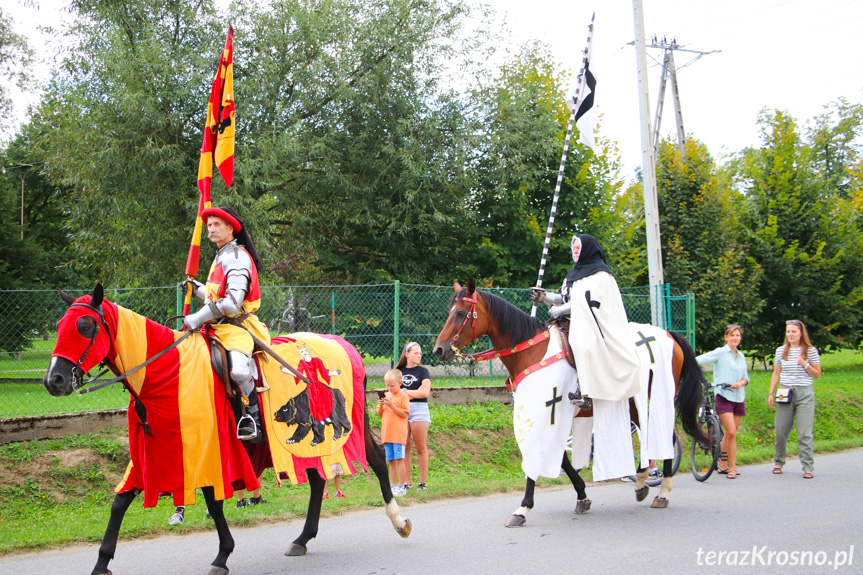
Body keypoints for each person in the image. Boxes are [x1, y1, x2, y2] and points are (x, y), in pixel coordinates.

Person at [183, 206, 270, 442]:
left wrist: (196, 318)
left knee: (239, 371)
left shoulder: (237, 257)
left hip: (236, 329)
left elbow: (231, 305)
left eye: (216, 224)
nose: (211, 229)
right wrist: (196, 288)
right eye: (209, 225)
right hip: (215, 327)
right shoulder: (221, 255)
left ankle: (253, 418)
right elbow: (215, 297)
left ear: (230, 228)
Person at [530, 234, 640, 403]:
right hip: (569, 320)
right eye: (573, 248)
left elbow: (582, 302)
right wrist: (544, 297)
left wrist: (558, 311)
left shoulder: (600, 275)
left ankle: (584, 390)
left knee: (582, 343)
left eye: (578, 248)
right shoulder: (574, 274)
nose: (575, 251)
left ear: (587, 249)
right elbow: (563, 296)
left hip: (593, 323)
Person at [768, 319, 821, 479]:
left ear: (801, 334)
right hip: (785, 391)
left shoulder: (810, 351)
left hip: (804, 392)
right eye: (788, 331)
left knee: (804, 433)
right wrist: (771, 392)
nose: (790, 334)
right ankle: (779, 461)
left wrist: (804, 363)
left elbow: (817, 374)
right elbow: (776, 373)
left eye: (794, 332)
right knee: (781, 430)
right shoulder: (781, 351)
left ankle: (807, 466)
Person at [696, 324, 749, 479]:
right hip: (724, 396)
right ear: (726, 337)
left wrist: (741, 382)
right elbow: (698, 360)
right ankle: (732, 467)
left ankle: (723, 463)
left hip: (739, 397)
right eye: (732, 335)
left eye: (737, 335)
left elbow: (746, 376)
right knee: (731, 432)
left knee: (730, 435)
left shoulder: (741, 356)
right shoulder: (720, 352)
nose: (735, 338)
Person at [397, 342, 431, 490]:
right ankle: (406, 482)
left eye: (420, 353)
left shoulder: (423, 371)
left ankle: (422, 482)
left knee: (420, 447)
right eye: (416, 353)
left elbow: (424, 393)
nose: (419, 356)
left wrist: (405, 392)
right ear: (407, 354)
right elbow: (393, 391)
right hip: (402, 409)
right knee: (405, 446)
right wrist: (412, 392)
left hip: (419, 409)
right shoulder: (398, 371)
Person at [377, 368, 410, 496]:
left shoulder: (403, 396)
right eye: (387, 385)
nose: (389, 388)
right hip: (387, 433)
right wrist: (381, 405)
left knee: (399, 459)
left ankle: (402, 486)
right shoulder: (387, 396)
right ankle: (393, 485)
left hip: (398, 434)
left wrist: (391, 405)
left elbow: (404, 414)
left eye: (392, 385)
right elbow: (380, 414)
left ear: (400, 383)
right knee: (391, 461)